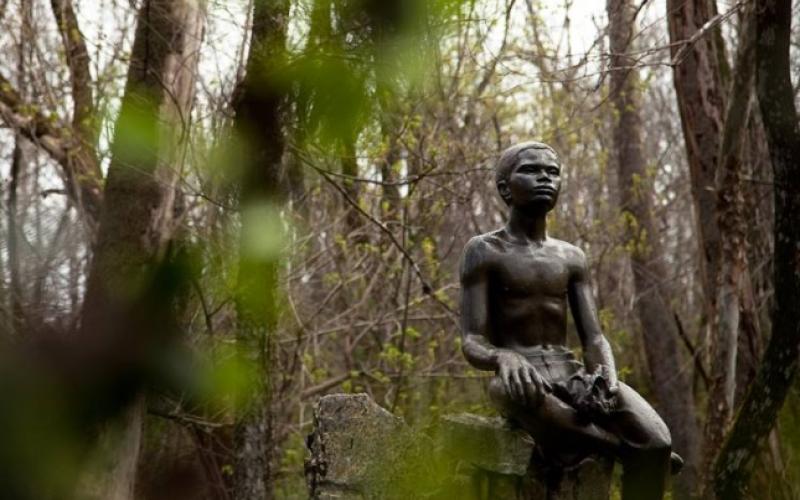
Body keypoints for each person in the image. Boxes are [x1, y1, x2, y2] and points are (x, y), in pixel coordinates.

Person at [459, 141, 679, 500]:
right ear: (504, 188)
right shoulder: (483, 251)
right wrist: (503, 357)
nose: (545, 177)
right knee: (521, 398)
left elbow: (594, 338)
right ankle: (622, 448)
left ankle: (643, 451)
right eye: (531, 170)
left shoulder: (571, 257)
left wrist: (606, 379)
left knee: (658, 440)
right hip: (520, 377)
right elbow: (471, 340)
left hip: (572, 373)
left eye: (553, 171)